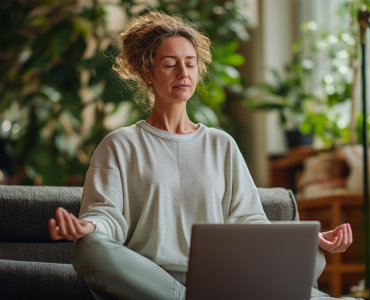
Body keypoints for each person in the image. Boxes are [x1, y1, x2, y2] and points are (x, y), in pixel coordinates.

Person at [48, 10, 352, 300]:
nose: (183, 72)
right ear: (148, 72)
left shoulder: (221, 144)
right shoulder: (119, 145)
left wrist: (310, 238)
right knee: (88, 249)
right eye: (170, 63)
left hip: (220, 276)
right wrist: (90, 227)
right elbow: (106, 216)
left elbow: (248, 222)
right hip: (149, 280)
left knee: (309, 252)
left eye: (190, 63)